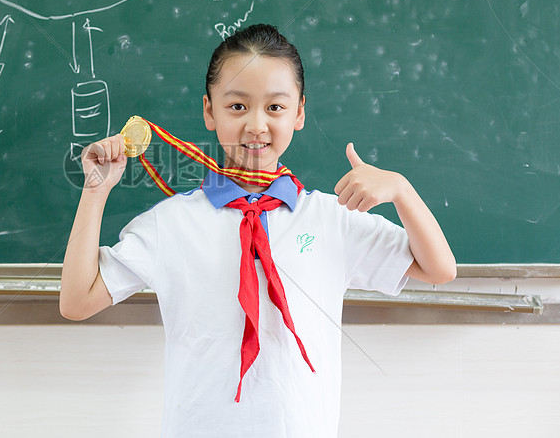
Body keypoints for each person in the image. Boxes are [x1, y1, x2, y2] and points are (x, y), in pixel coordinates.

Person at [60, 23, 456, 437]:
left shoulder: (330, 217)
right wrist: (96, 191)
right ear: (209, 111)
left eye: (275, 107)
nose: (256, 125)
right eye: (236, 106)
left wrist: (402, 191)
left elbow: (438, 269)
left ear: (299, 112)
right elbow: (76, 301)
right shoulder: (171, 223)